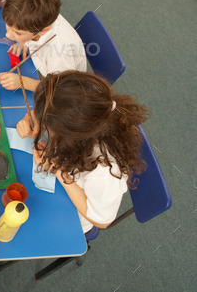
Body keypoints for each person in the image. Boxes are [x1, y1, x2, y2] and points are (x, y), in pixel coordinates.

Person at [16, 71, 149, 233]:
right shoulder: (86, 106)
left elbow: (102, 221)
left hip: (72, 214)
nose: (45, 129)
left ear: (71, 133)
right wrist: (32, 119)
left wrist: (58, 170)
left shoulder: (104, 171)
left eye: (48, 127)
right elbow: (53, 105)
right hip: (65, 175)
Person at [0, 0, 86, 92]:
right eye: (8, 25)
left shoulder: (59, 53)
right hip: (47, 70)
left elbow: (59, 91)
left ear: (42, 31)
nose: (8, 35)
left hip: (63, 87)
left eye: (18, 33)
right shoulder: (38, 19)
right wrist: (23, 41)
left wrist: (22, 82)